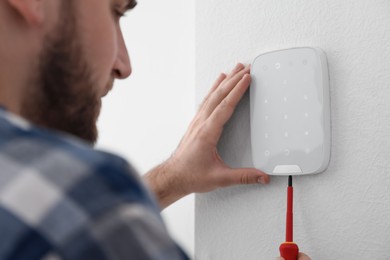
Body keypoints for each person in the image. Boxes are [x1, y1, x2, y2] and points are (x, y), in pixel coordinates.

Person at [0, 0, 309, 259]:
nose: (124, 64)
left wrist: (171, 179)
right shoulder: (90, 200)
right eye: (115, 11)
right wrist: (113, 199)